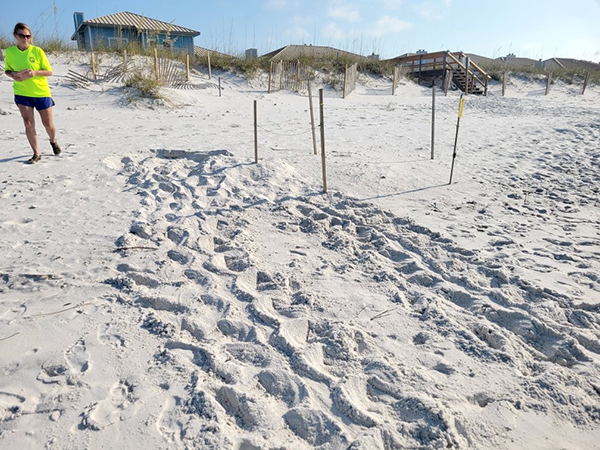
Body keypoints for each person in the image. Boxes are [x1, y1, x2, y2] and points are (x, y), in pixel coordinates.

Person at [4, 22, 61, 164]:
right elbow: (7, 70)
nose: (25, 39)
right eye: (22, 36)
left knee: (48, 125)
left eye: (28, 36)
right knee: (28, 124)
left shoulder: (37, 51)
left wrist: (34, 73)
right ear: (15, 35)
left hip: (41, 92)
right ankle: (36, 153)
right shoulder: (10, 52)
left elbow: (49, 71)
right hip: (22, 92)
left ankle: (53, 141)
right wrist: (13, 74)